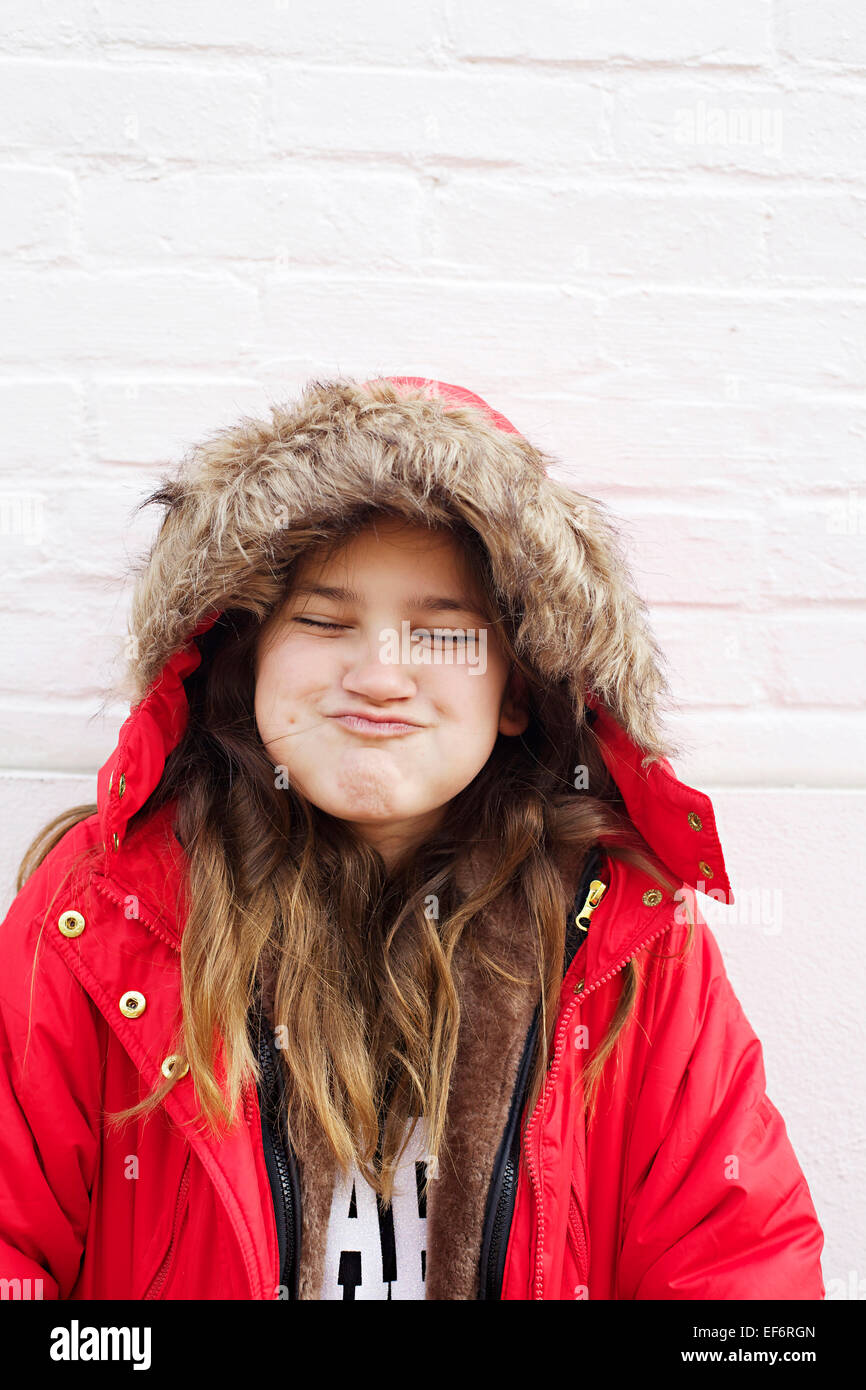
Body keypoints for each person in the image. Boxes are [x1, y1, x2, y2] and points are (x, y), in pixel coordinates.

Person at [0, 375, 824, 1301]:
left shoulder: (627, 941)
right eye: (322, 620)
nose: (381, 675)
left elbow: (742, 1276)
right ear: (248, 656)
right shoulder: (101, 914)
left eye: (441, 634)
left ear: (515, 690)